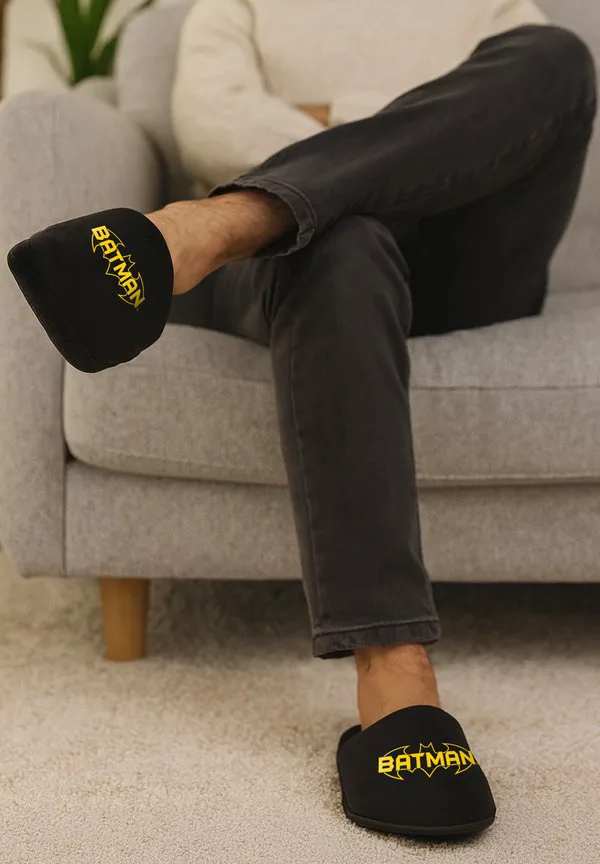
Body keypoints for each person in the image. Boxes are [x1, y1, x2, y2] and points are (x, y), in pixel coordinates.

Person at [6, 0, 597, 839]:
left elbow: (522, 118)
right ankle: (394, 667)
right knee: (342, 238)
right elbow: (209, 125)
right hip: (307, 269)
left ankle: (203, 228)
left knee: (555, 57)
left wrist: (348, 136)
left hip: (463, 263)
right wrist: (422, 133)